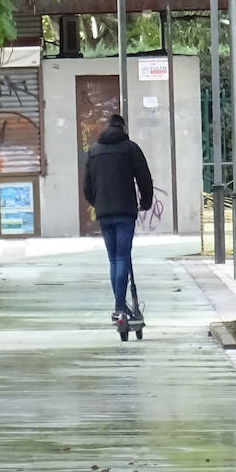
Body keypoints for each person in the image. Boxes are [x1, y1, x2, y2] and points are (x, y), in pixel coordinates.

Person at [83, 114, 154, 323]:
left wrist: (98, 203)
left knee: (114, 259)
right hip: (125, 211)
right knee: (123, 257)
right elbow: (144, 178)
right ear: (123, 127)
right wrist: (146, 202)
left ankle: (119, 309)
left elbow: (87, 186)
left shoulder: (94, 151)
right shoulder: (130, 148)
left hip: (104, 213)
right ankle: (120, 306)